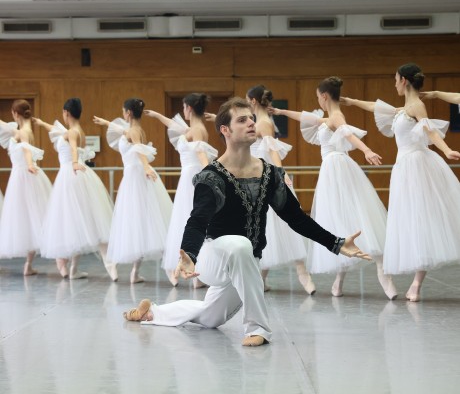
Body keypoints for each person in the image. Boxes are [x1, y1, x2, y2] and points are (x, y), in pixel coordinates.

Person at [123, 97, 370, 347]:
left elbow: (295, 218)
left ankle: (152, 311)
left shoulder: (270, 174)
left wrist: (336, 243)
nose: (251, 122)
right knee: (239, 245)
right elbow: (198, 220)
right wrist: (189, 254)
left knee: (210, 317)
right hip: (213, 258)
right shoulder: (211, 177)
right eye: (242, 120)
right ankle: (258, 327)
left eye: (252, 118)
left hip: (246, 263)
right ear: (225, 130)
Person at [269, 77, 396, 299]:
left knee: (357, 215)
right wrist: (280, 112)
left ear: (324, 96)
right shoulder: (328, 118)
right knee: (339, 220)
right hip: (330, 170)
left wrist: (366, 150)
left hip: (338, 166)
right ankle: (339, 279)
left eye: (318, 97)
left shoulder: (336, 117)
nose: (318, 101)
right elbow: (303, 116)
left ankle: (382, 274)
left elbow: (348, 134)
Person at [342, 63, 460, 302]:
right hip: (404, 167)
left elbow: (431, 132)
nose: (394, 84)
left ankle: (416, 284)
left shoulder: (416, 105)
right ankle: (417, 281)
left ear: (404, 81)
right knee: (412, 221)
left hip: (418, 165)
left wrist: (447, 149)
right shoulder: (405, 108)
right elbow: (377, 107)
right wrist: (353, 101)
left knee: (423, 219)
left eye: (395, 80)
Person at [246, 84, 316, 294]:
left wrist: (282, 173)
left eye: (248, 100)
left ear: (254, 101)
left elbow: (272, 151)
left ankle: (303, 275)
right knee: (268, 228)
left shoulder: (264, 123)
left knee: (283, 225)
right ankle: (263, 278)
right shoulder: (261, 122)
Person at [93, 98, 172, 284]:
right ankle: (134, 273)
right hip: (132, 177)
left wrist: (146, 167)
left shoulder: (134, 132)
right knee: (138, 224)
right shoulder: (134, 130)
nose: (122, 114)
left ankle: (133, 271)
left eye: (123, 111)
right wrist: (105, 122)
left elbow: (139, 150)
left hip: (135, 177)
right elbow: (124, 132)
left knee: (135, 222)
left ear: (128, 113)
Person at [33, 98, 114, 279]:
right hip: (72, 174)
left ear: (66, 113)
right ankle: (70, 267)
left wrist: (75, 162)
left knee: (67, 219)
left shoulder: (72, 133)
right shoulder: (78, 130)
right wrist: (41, 123)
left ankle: (66, 264)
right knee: (73, 220)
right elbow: (56, 131)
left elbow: (74, 149)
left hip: (69, 174)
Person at [144, 93, 217, 288]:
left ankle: (195, 270)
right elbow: (173, 125)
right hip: (188, 177)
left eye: (184, 107)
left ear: (190, 108)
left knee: (191, 220)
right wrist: (158, 115)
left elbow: (202, 154)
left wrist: (210, 175)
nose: (182, 111)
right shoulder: (193, 128)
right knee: (188, 220)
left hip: (193, 177)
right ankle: (193, 270)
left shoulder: (198, 130)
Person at [0, 99, 52, 275]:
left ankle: (28, 265)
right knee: (28, 219)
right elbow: (11, 132)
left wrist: (30, 164)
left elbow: (27, 150)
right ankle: (28, 265)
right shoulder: (23, 130)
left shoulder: (24, 132)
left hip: (22, 175)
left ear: (15, 114)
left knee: (28, 218)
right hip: (20, 175)